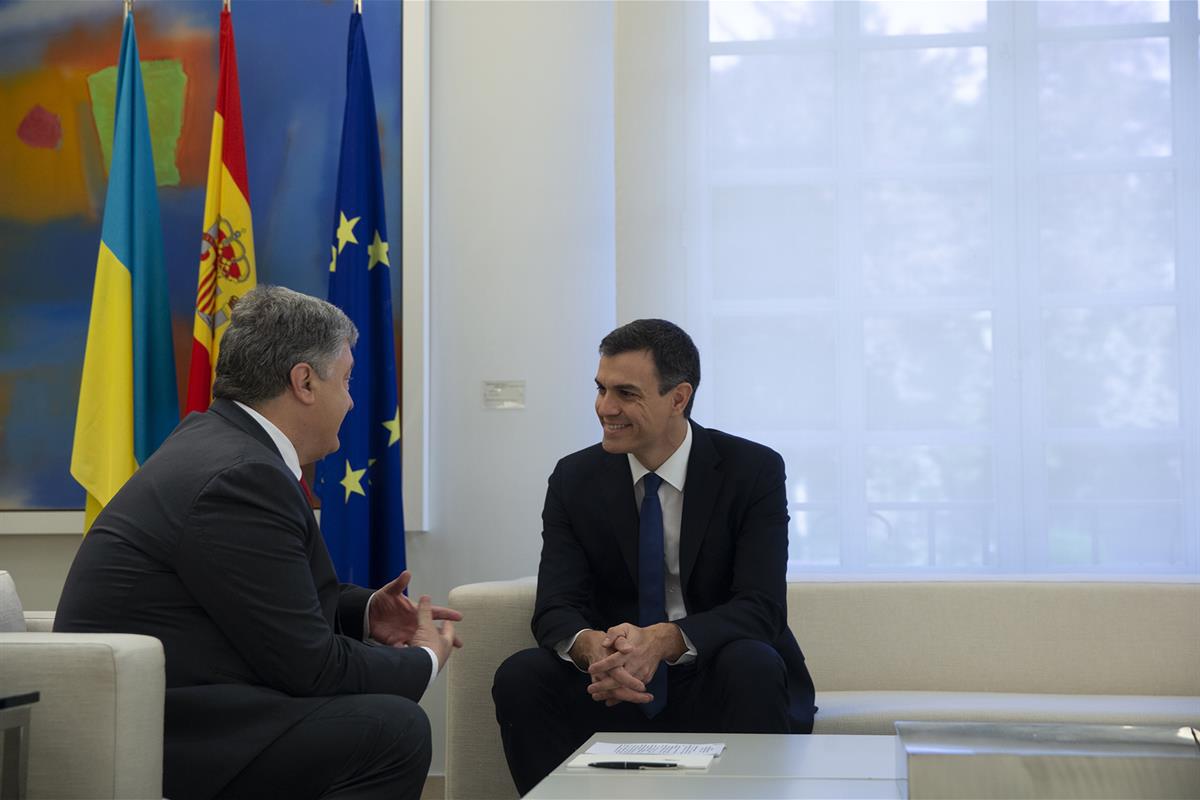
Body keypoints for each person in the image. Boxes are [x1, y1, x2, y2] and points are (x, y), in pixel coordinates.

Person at [54, 285, 459, 800]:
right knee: (390, 730)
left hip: (184, 703)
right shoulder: (240, 476)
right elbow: (311, 668)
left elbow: (261, 600)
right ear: (305, 382)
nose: (352, 400)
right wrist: (423, 659)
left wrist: (361, 613)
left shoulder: (221, 446)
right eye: (348, 379)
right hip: (170, 728)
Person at [492, 318, 816, 795]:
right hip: (612, 687)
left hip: (712, 673)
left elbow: (761, 607)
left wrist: (664, 641)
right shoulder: (573, 478)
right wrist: (594, 650)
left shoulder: (752, 470)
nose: (605, 407)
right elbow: (556, 607)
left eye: (625, 393)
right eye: (600, 389)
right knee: (522, 675)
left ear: (678, 398)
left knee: (753, 664)